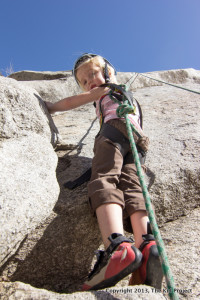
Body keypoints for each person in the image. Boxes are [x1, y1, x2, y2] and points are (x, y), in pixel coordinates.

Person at [45, 53, 163, 291]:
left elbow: (71, 102)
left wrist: (49, 107)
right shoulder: (127, 96)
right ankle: (147, 246)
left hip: (112, 132)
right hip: (137, 143)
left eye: (93, 75)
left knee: (104, 179)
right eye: (85, 82)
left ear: (109, 73)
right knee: (133, 188)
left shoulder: (106, 88)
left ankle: (117, 247)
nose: (90, 84)